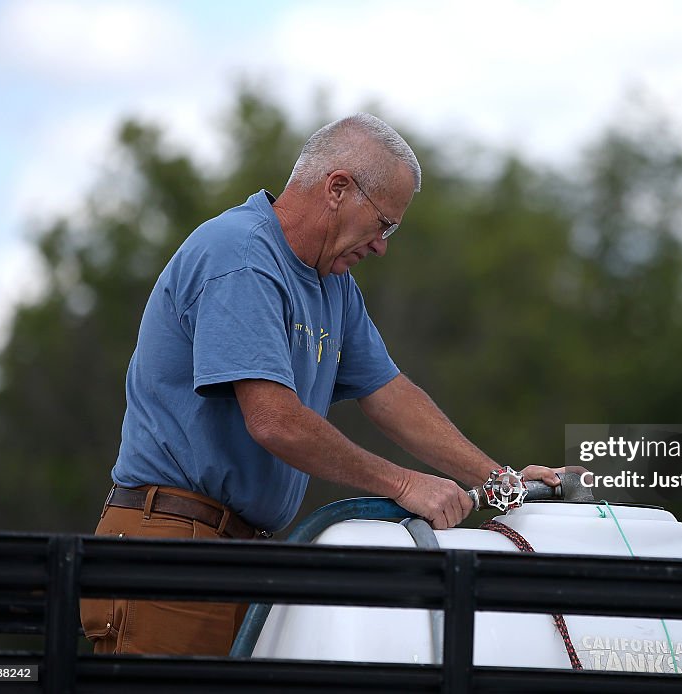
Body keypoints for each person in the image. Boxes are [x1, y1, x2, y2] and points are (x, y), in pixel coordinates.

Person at [79, 113, 571, 656]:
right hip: (172, 547)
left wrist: (502, 482)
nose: (383, 245)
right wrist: (406, 486)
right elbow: (273, 420)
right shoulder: (240, 256)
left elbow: (389, 393)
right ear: (338, 188)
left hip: (239, 553)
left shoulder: (332, 283)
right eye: (384, 223)